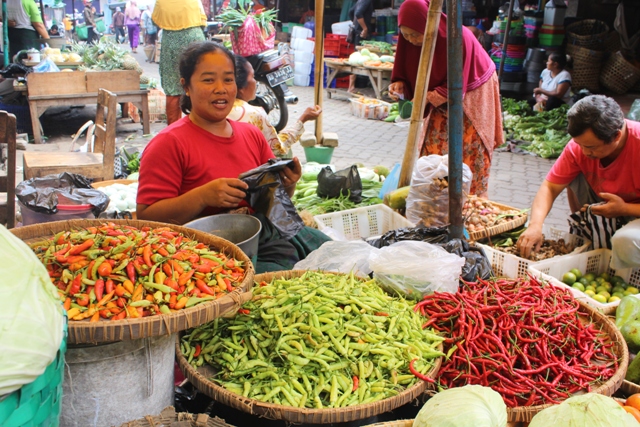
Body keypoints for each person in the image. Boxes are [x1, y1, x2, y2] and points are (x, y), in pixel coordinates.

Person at [136, 41, 331, 273]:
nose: (221, 88)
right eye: (208, 80)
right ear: (186, 86)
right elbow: (146, 217)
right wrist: (203, 196)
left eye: (228, 79)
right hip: (206, 257)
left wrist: (288, 183)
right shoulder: (169, 143)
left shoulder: (250, 134)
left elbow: (273, 201)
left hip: (264, 236)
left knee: (333, 256)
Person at [388, 0, 503, 198]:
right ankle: (434, 198)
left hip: (473, 89)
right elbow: (405, 71)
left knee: (466, 146)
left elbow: (458, 83)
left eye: (415, 34)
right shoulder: (409, 41)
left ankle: (468, 201)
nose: (411, 40)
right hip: (440, 92)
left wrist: (428, 97)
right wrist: (399, 84)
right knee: (434, 145)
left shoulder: (457, 37)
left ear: (427, 24)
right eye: (405, 35)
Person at [517, 95, 640, 269]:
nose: (583, 152)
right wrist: (535, 225)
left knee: (626, 241)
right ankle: (591, 236)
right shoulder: (579, 148)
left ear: (616, 136)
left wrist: (624, 209)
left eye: (591, 147)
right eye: (579, 144)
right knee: (571, 174)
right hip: (607, 206)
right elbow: (550, 187)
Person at [228, 55, 322, 157]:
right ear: (240, 87)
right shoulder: (253, 114)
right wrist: (303, 119)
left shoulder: (212, 111)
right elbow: (278, 149)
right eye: (253, 77)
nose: (255, 82)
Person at [152, 0, 207, 125]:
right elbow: (203, 21)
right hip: (194, 39)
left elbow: (155, 20)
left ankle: (173, 132)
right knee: (199, 83)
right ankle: (201, 128)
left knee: (172, 89)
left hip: (171, 41)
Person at [347, 0, 373, 93]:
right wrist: (364, 28)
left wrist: (356, 25)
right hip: (362, 34)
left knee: (356, 58)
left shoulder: (360, 1)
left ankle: (351, 86)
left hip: (357, 33)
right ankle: (351, 87)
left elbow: (351, 12)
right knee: (357, 59)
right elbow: (358, 13)